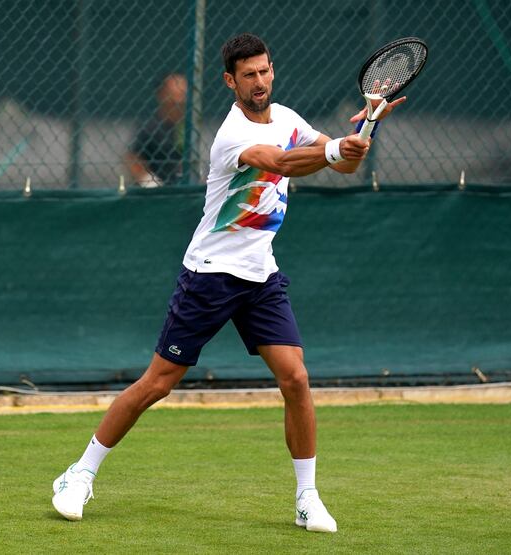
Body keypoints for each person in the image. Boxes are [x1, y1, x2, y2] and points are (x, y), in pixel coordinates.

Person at [51, 33, 405, 532]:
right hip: (210, 276)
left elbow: (345, 163)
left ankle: (306, 498)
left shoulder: (287, 118)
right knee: (158, 384)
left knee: (297, 379)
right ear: (230, 81)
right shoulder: (232, 135)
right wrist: (334, 153)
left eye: (264, 71)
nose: (259, 82)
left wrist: (368, 124)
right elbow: (282, 164)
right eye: (248, 75)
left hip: (261, 276)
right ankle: (79, 474)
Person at [124, 73, 188, 187]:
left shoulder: (189, 126)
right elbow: (133, 158)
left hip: (185, 190)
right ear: (162, 95)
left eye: (183, 92)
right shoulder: (149, 126)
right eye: (175, 91)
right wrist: (151, 183)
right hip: (156, 193)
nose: (179, 98)